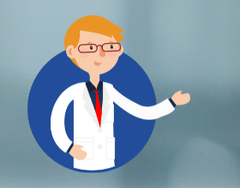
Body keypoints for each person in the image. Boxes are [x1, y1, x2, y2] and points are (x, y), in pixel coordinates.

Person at [49, 16, 189, 172]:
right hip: (82, 159)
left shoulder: (110, 90)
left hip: (106, 159)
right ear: (71, 51)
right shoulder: (72, 92)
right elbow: (56, 123)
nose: (100, 55)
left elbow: (142, 111)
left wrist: (172, 102)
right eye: (89, 48)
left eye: (108, 47)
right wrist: (69, 147)